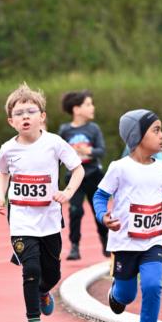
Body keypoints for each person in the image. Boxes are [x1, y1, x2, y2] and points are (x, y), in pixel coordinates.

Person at [92, 108, 162, 322]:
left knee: (153, 285)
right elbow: (100, 196)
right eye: (156, 130)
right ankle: (116, 292)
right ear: (137, 136)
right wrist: (104, 216)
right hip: (125, 242)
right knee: (126, 295)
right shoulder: (119, 168)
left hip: (153, 240)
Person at [0, 82, 83, 322]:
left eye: (30, 111)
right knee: (30, 269)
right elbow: (3, 172)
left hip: (49, 220)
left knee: (52, 275)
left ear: (42, 116)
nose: (25, 117)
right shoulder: (8, 148)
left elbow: (77, 169)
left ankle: (44, 292)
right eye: (19, 113)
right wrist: (2, 195)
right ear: (11, 121)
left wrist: (67, 192)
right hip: (21, 220)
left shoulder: (54, 143)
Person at [58, 91, 107, 260]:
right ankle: (74, 246)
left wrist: (88, 151)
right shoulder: (65, 130)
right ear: (76, 109)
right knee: (75, 210)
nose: (92, 107)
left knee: (98, 211)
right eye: (88, 104)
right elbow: (59, 152)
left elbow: (102, 151)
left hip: (93, 175)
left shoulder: (93, 129)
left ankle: (106, 241)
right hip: (74, 178)